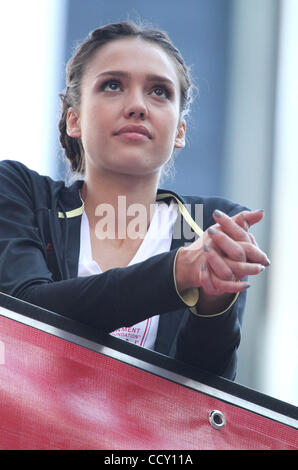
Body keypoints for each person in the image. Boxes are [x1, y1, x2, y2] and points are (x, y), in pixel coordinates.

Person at [0, 21, 270, 380]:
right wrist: (177, 273)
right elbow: (26, 312)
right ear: (73, 120)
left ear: (180, 131)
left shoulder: (213, 223)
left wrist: (214, 303)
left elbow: (205, 395)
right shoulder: (21, 191)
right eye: (112, 85)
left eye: (159, 92)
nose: (138, 106)